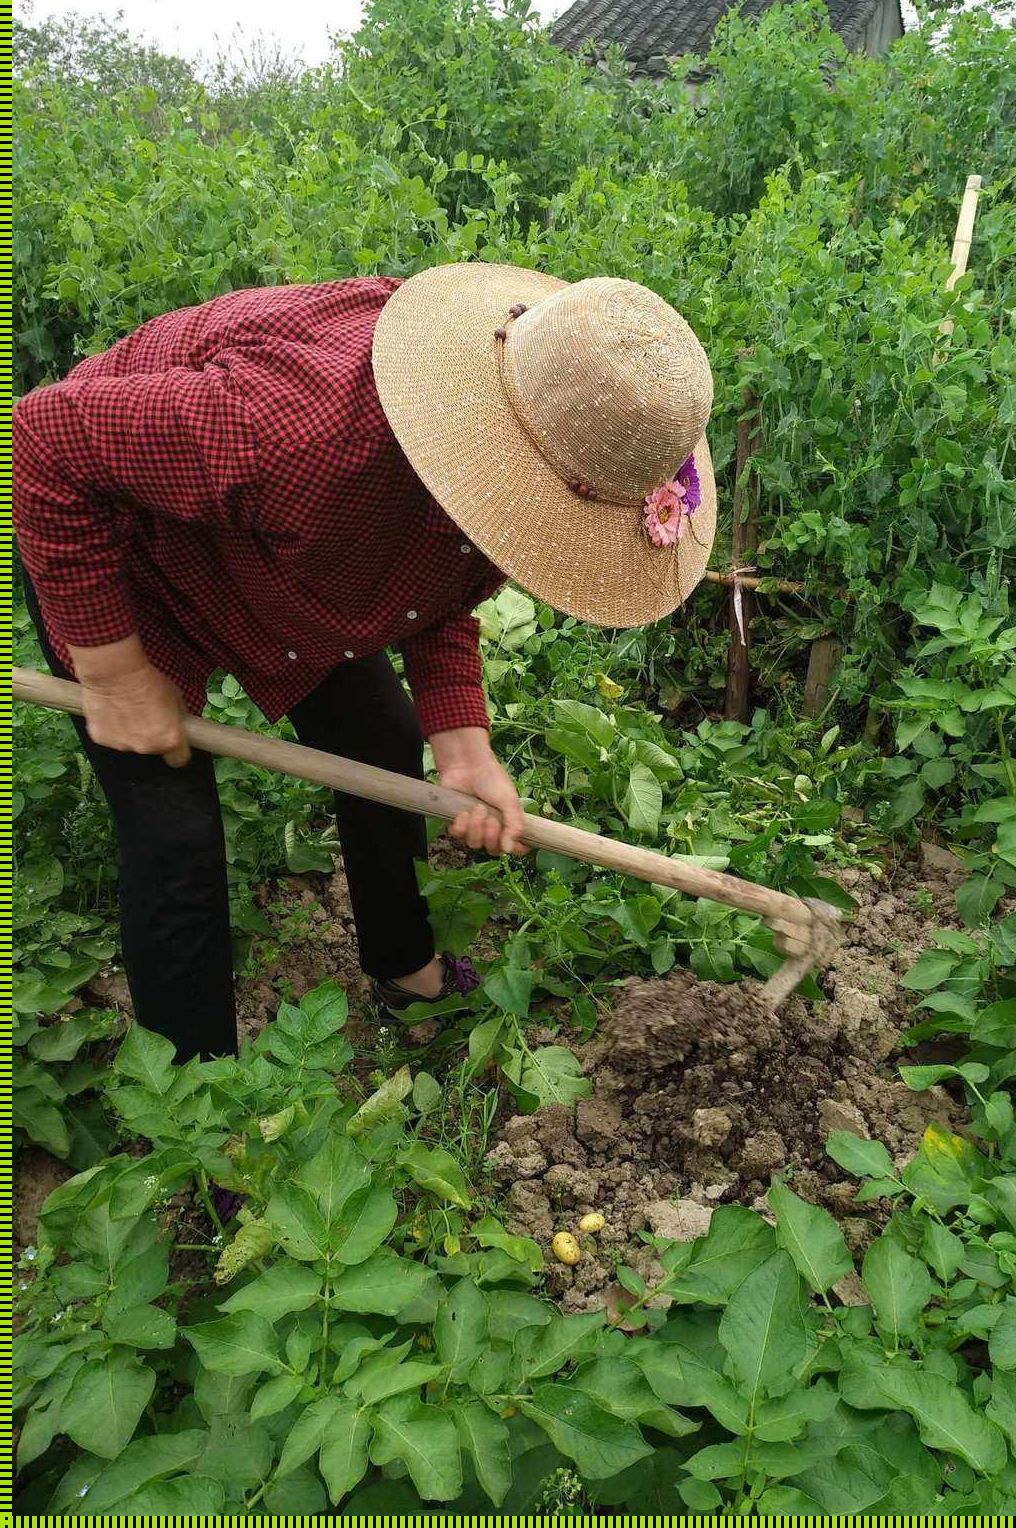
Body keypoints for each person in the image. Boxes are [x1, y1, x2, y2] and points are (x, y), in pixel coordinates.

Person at [14, 262, 717, 1060]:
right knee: (172, 839)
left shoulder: (510, 446)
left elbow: (445, 563)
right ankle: (197, 1114)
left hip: (285, 554)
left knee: (384, 734)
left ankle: (402, 969)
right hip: (128, 546)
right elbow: (43, 442)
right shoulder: (289, 428)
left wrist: (462, 743)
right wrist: (113, 673)